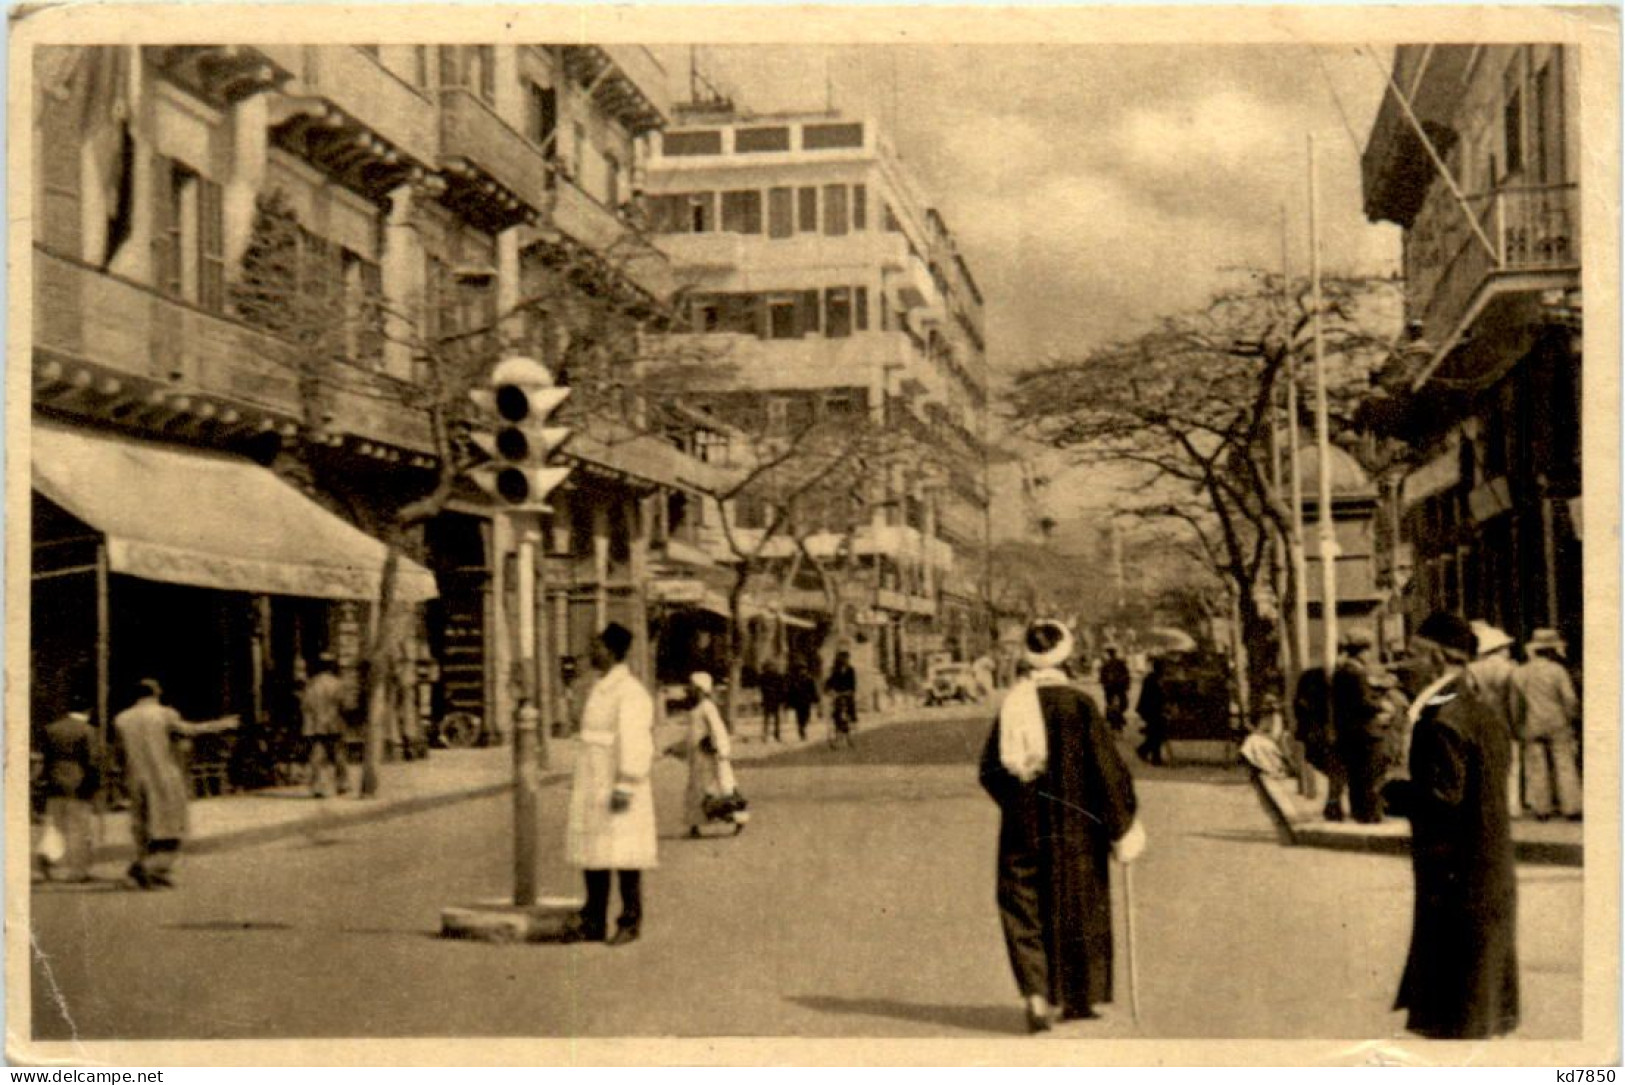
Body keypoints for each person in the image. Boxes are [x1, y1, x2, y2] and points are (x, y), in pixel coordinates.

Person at [980, 620, 1144, 1032]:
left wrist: (1019, 804)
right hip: (1076, 828)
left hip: (1023, 826)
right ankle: (1078, 997)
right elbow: (1108, 771)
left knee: (1024, 906)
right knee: (1078, 905)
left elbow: (990, 771)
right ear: (1066, 655)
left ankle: (1036, 995)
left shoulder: (1013, 705)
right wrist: (1121, 822)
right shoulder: (1079, 705)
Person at [1383, 612, 1518, 1040]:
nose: (1407, 664)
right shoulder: (1479, 710)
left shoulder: (1441, 721)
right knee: (1479, 996)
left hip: (1456, 874)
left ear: (1439, 659)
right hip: (1487, 866)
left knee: (1457, 1016)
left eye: (1414, 655)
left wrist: (1394, 792)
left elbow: (1443, 800)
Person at [561, 623, 657, 946]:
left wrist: (626, 784)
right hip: (594, 781)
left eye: (599, 646)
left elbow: (635, 741)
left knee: (626, 856)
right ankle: (593, 921)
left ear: (613, 652)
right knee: (595, 854)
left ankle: (630, 921)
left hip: (616, 782)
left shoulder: (629, 692)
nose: (593, 651)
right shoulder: (599, 688)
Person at [112, 679, 238, 889]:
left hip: (135, 777)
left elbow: (119, 752)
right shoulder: (164, 714)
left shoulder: (122, 719)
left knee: (143, 826)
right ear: (156, 692)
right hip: (164, 777)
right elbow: (190, 730)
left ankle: (150, 869)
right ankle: (148, 868)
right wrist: (222, 725)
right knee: (172, 827)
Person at [1511, 628, 1581, 821]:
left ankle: (1541, 808)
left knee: (1536, 765)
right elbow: (1569, 699)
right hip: (1557, 723)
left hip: (1531, 724)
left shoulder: (1520, 672)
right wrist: (1572, 718)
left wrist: (1517, 725)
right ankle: (1571, 807)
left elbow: (1516, 703)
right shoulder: (1557, 671)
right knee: (1564, 763)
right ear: (1551, 650)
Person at [1331, 630, 1391, 823]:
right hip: (1365, 731)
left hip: (1349, 731)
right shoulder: (1355, 673)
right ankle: (1370, 814)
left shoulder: (1342, 671)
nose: (1369, 656)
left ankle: (1360, 812)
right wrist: (1382, 705)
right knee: (1371, 773)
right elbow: (1362, 702)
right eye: (1367, 651)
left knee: (1357, 774)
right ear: (1361, 652)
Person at [38, 699, 101, 882]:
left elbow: (46, 758)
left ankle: (48, 862)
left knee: (54, 826)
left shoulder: (52, 729)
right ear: (88, 710)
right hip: (78, 782)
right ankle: (78, 871)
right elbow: (92, 761)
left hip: (55, 781)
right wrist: (94, 785)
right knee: (79, 829)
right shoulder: (88, 731)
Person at [1467, 622, 1522, 818]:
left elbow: (1469, 695)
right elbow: (1515, 698)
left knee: (1485, 763)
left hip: (1481, 720)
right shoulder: (1511, 669)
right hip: (1505, 719)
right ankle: (1512, 806)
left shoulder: (1472, 669)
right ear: (1499, 649)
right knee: (1511, 764)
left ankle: (1488, 804)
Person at [684, 672, 746, 837]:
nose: (688, 689)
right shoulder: (695, 709)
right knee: (697, 790)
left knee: (719, 789)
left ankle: (738, 819)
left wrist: (721, 750)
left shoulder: (707, 707)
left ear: (700, 689)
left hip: (709, 757)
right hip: (698, 758)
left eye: (691, 686)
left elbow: (718, 730)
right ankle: (694, 825)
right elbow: (692, 735)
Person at [1292, 664, 1343, 820]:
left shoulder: (1310, 676)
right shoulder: (1320, 677)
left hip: (1315, 733)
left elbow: (1299, 705)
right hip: (1324, 732)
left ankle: (1333, 803)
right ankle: (1333, 804)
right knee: (1337, 769)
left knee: (1335, 770)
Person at [301, 655, 352, 797]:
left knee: (317, 756)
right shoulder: (337, 684)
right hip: (334, 723)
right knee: (339, 755)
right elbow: (345, 705)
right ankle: (342, 784)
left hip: (316, 726)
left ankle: (317, 787)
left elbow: (305, 706)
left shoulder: (311, 684)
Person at [1134, 656, 1169, 766]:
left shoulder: (1152, 678)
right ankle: (1147, 752)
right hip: (1150, 709)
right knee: (1156, 732)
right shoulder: (1152, 679)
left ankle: (1150, 754)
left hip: (1151, 709)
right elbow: (1155, 696)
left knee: (1155, 733)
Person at [825, 650, 858, 749]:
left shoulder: (851, 670)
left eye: (847, 658)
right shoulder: (835, 670)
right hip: (838, 696)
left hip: (848, 695)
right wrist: (830, 691)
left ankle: (849, 735)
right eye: (844, 658)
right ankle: (839, 737)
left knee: (850, 714)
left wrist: (850, 692)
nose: (845, 660)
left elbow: (853, 685)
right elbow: (829, 682)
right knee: (836, 715)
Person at [1098, 646, 1132, 733]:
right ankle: (1116, 720)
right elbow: (1127, 675)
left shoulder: (1113, 664)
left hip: (1115, 687)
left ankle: (1115, 718)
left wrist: (1104, 683)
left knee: (1118, 704)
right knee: (1121, 704)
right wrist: (1127, 685)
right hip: (1115, 687)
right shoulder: (1108, 664)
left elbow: (1126, 675)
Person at [785, 661, 820, 741]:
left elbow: (813, 690)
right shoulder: (795, 679)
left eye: (804, 669)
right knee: (799, 716)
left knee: (807, 715)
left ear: (806, 670)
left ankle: (802, 726)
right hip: (798, 701)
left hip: (807, 700)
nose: (802, 671)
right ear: (798, 670)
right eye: (801, 670)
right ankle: (801, 729)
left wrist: (816, 699)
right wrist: (789, 702)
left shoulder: (809, 679)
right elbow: (791, 691)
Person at [758, 659, 784, 744]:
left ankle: (777, 735)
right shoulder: (762, 677)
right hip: (767, 699)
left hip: (775, 700)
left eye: (771, 666)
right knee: (766, 718)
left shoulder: (778, 676)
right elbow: (761, 688)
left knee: (776, 719)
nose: (770, 668)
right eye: (768, 666)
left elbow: (781, 688)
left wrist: (781, 699)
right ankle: (765, 735)